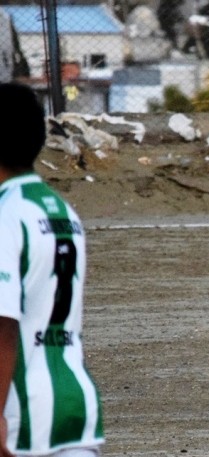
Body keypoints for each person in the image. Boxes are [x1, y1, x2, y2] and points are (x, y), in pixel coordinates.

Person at [0, 83, 105, 456]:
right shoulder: (62, 212)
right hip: (75, 403)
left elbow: (4, 325)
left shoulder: (7, 215)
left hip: (23, 414)